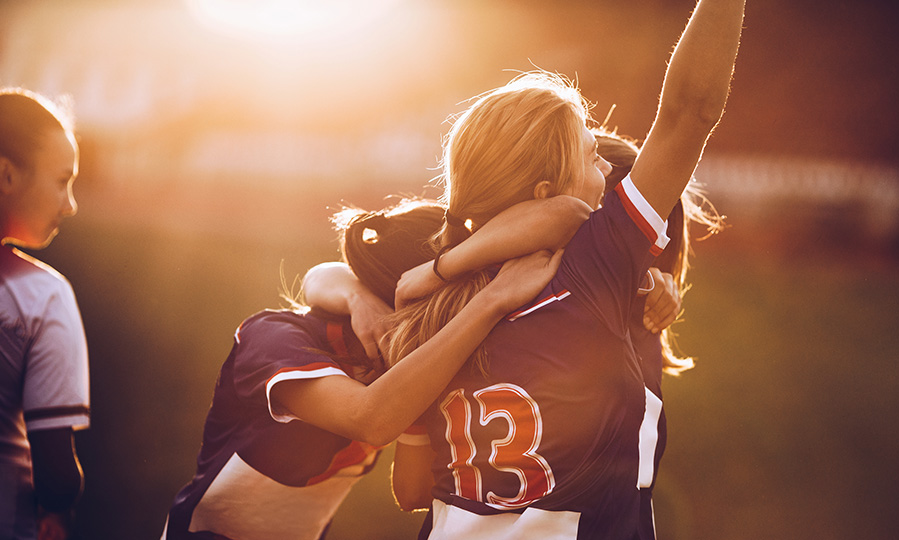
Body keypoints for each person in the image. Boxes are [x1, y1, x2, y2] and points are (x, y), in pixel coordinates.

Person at [383, 0, 745, 538]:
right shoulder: (594, 264)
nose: (607, 169)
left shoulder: (429, 296)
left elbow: (411, 492)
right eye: (591, 155)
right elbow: (690, 109)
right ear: (547, 190)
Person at [159, 199, 564, 540]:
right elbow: (369, 417)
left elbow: (413, 491)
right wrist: (489, 302)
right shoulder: (275, 336)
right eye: (446, 313)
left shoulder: (397, 363)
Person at [0, 88, 88, 540]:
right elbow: (56, 476)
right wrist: (59, 510)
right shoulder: (40, 296)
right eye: (61, 181)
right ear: (6, 175)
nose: (70, 204)